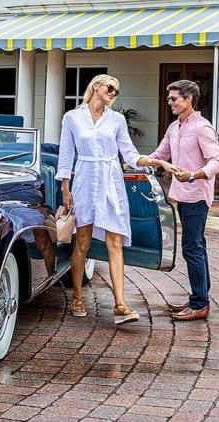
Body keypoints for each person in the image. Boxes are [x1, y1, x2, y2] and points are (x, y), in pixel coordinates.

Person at [55, 74, 170, 324]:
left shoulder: (116, 119)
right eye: (110, 88)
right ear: (95, 86)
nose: (113, 93)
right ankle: (76, 296)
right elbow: (66, 155)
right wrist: (66, 188)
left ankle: (120, 304)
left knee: (115, 241)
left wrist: (157, 161)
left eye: (117, 91)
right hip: (84, 180)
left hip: (111, 181)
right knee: (82, 242)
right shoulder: (72, 117)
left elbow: (129, 154)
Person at [150, 79, 219, 321]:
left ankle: (200, 303)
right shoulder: (174, 127)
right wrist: (133, 162)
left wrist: (193, 174)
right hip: (181, 195)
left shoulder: (202, 127)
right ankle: (198, 298)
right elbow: (160, 155)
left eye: (174, 98)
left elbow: (216, 162)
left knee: (192, 248)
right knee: (196, 246)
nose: (170, 102)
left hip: (196, 196)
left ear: (189, 99)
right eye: (169, 98)